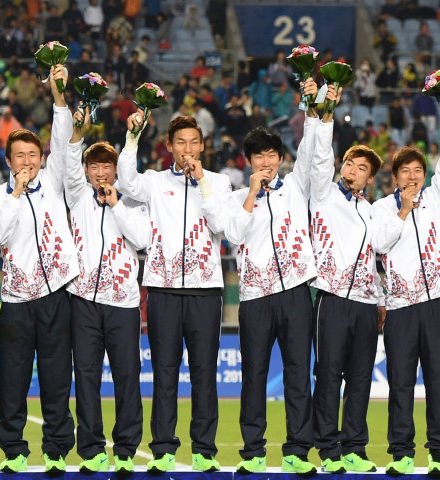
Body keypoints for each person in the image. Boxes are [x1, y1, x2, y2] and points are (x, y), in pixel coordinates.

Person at [202, 79, 320, 475]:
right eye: (259, 156)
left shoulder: (297, 188)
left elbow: (312, 152)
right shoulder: (237, 199)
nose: (266, 162)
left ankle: (297, 452)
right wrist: (252, 194)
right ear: (248, 161)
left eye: (272, 155)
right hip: (254, 298)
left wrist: (312, 104)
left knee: (298, 375)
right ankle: (253, 452)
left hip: (296, 293)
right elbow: (233, 234)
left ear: (281, 158)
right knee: (252, 376)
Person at [0, 65, 78, 475]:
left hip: (56, 296)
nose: (28, 160)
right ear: (8, 160)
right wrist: (15, 191)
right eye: (20, 156)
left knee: (56, 378)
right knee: (13, 380)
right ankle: (13, 450)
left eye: (34, 155)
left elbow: (63, 139)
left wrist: (59, 96)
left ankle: (55, 450)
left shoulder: (54, 182)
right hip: (15, 301)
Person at [117, 114, 231, 473]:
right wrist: (132, 138)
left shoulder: (219, 182)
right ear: (169, 146)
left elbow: (220, 225)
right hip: (163, 290)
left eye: (193, 142)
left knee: (203, 373)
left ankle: (204, 450)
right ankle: (164, 448)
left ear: (202, 145)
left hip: (205, 291)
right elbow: (124, 180)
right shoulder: (153, 183)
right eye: (180, 142)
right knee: (164, 373)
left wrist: (202, 184)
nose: (187, 149)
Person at [371, 93, 440, 476]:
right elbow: (378, 245)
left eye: (417, 171)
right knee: (401, 384)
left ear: (425, 176)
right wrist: (403, 210)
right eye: (405, 171)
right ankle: (402, 453)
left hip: (439, 301)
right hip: (400, 308)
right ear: (394, 177)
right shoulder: (379, 209)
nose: (412, 177)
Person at [65, 108, 150, 475]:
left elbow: (144, 240)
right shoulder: (76, 197)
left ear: (116, 170)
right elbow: (68, 158)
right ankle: (92, 448)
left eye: (106, 166)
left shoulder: (133, 202)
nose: (100, 173)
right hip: (83, 299)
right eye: (93, 166)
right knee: (85, 375)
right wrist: (77, 128)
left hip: (123, 302)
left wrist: (116, 204)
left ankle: (127, 448)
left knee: (127, 375)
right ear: (85, 171)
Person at [308, 90, 384, 473]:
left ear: (370, 178)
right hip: (332, 298)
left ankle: (355, 446)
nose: (354, 170)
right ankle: (328, 448)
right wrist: (327, 115)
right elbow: (320, 156)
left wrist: (382, 299)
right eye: (351, 164)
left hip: (367, 304)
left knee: (359, 379)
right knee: (328, 375)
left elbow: (375, 261)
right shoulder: (322, 195)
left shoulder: (372, 211)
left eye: (362, 168)